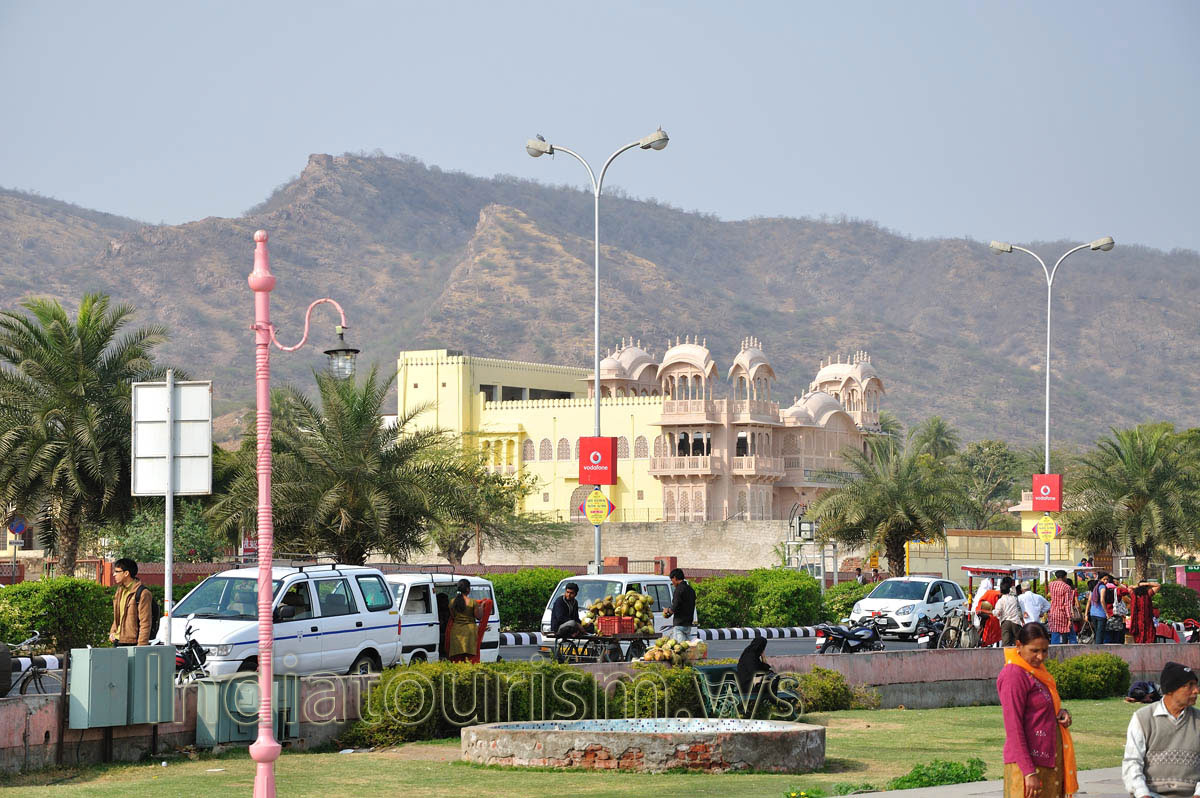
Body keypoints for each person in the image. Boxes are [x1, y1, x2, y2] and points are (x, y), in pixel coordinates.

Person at [998, 622, 1078, 798]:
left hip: (1048, 760)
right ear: (1019, 646)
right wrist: (1028, 772)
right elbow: (1013, 728)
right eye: (1034, 651)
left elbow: (1041, 708)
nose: (1041, 657)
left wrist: (1060, 713)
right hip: (1026, 766)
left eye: (1044, 650)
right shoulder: (1014, 675)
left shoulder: (1035, 672)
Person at [1122, 661, 1200, 798]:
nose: (1196, 690)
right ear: (1171, 690)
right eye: (1189, 686)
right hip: (1152, 793)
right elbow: (1132, 762)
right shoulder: (1142, 718)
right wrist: (1142, 793)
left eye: (1196, 685)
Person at [109, 558, 153, 647]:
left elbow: (145, 623)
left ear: (126, 573)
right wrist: (113, 632)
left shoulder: (142, 593)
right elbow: (118, 616)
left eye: (117, 572)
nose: (114, 574)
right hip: (118, 641)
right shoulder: (120, 591)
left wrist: (141, 647)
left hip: (132, 643)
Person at [445, 578, 487, 663]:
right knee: (470, 658)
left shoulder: (452, 602)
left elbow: (453, 616)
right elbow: (479, 617)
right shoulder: (472, 602)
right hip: (469, 632)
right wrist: (481, 606)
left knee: (457, 658)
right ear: (467, 589)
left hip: (456, 631)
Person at [662, 568, 696, 643]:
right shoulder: (691, 590)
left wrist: (667, 611)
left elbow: (675, 607)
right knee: (687, 647)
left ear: (674, 578)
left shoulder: (679, 590)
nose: (672, 583)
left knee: (679, 648)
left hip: (679, 624)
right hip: (688, 624)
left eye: (672, 580)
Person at [1047, 571, 1078, 645]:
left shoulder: (1051, 585)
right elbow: (1067, 603)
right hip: (1062, 613)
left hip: (1053, 612)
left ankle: (1054, 652)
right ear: (1064, 577)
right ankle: (1075, 651)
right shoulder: (1066, 587)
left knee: (1055, 632)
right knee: (1071, 634)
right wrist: (1069, 618)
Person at [995, 578, 1024, 647]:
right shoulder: (1014, 598)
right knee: (1019, 643)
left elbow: (997, 612)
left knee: (1006, 645)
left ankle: (1007, 657)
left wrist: (993, 612)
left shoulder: (1001, 600)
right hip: (1016, 622)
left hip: (1005, 623)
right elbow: (1019, 609)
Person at [1088, 573, 1115, 644]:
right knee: (1100, 634)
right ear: (1100, 579)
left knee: (1097, 633)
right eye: (1104, 579)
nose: (1106, 581)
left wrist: (1086, 614)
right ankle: (1098, 651)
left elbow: (1089, 601)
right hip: (1101, 614)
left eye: (1107, 579)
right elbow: (1102, 600)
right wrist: (1106, 612)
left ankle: (1096, 650)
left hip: (1093, 613)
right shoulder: (1102, 587)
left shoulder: (1095, 587)